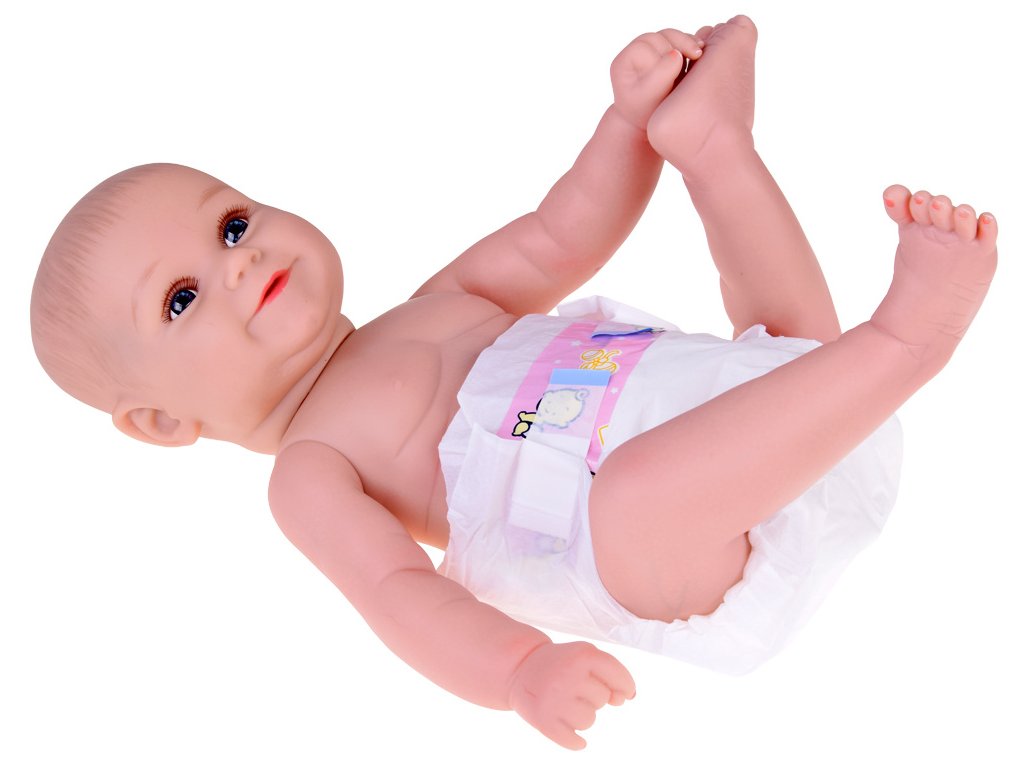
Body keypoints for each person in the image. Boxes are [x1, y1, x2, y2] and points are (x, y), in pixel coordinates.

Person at [30, 16, 997, 750]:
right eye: (183, 298)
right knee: (636, 493)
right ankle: (907, 340)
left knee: (780, 346)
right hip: (648, 547)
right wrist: (517, 671)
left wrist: (627, 123)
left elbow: (561, 231)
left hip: (770, 429)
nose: (237, 261)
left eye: (232, 224)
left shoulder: (434, 301)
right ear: (164, 421)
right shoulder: (310, 472)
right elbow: (397, 593)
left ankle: (710, 144)